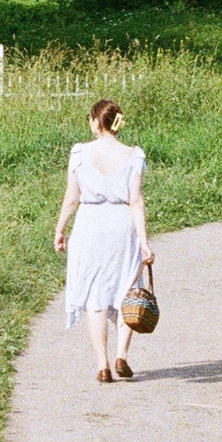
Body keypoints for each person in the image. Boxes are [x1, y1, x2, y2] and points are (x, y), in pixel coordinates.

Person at [54, 99, 153, 384]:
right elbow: (136, 200)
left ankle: (103, 365)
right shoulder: (134, 155)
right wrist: (144, 241)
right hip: (123, 227)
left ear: (97, 122)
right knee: (128, 291)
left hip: (90, 226)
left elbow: (72, 197)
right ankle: (122, 354)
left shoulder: (80, 153)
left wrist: (60, 228)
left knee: (95, 296)